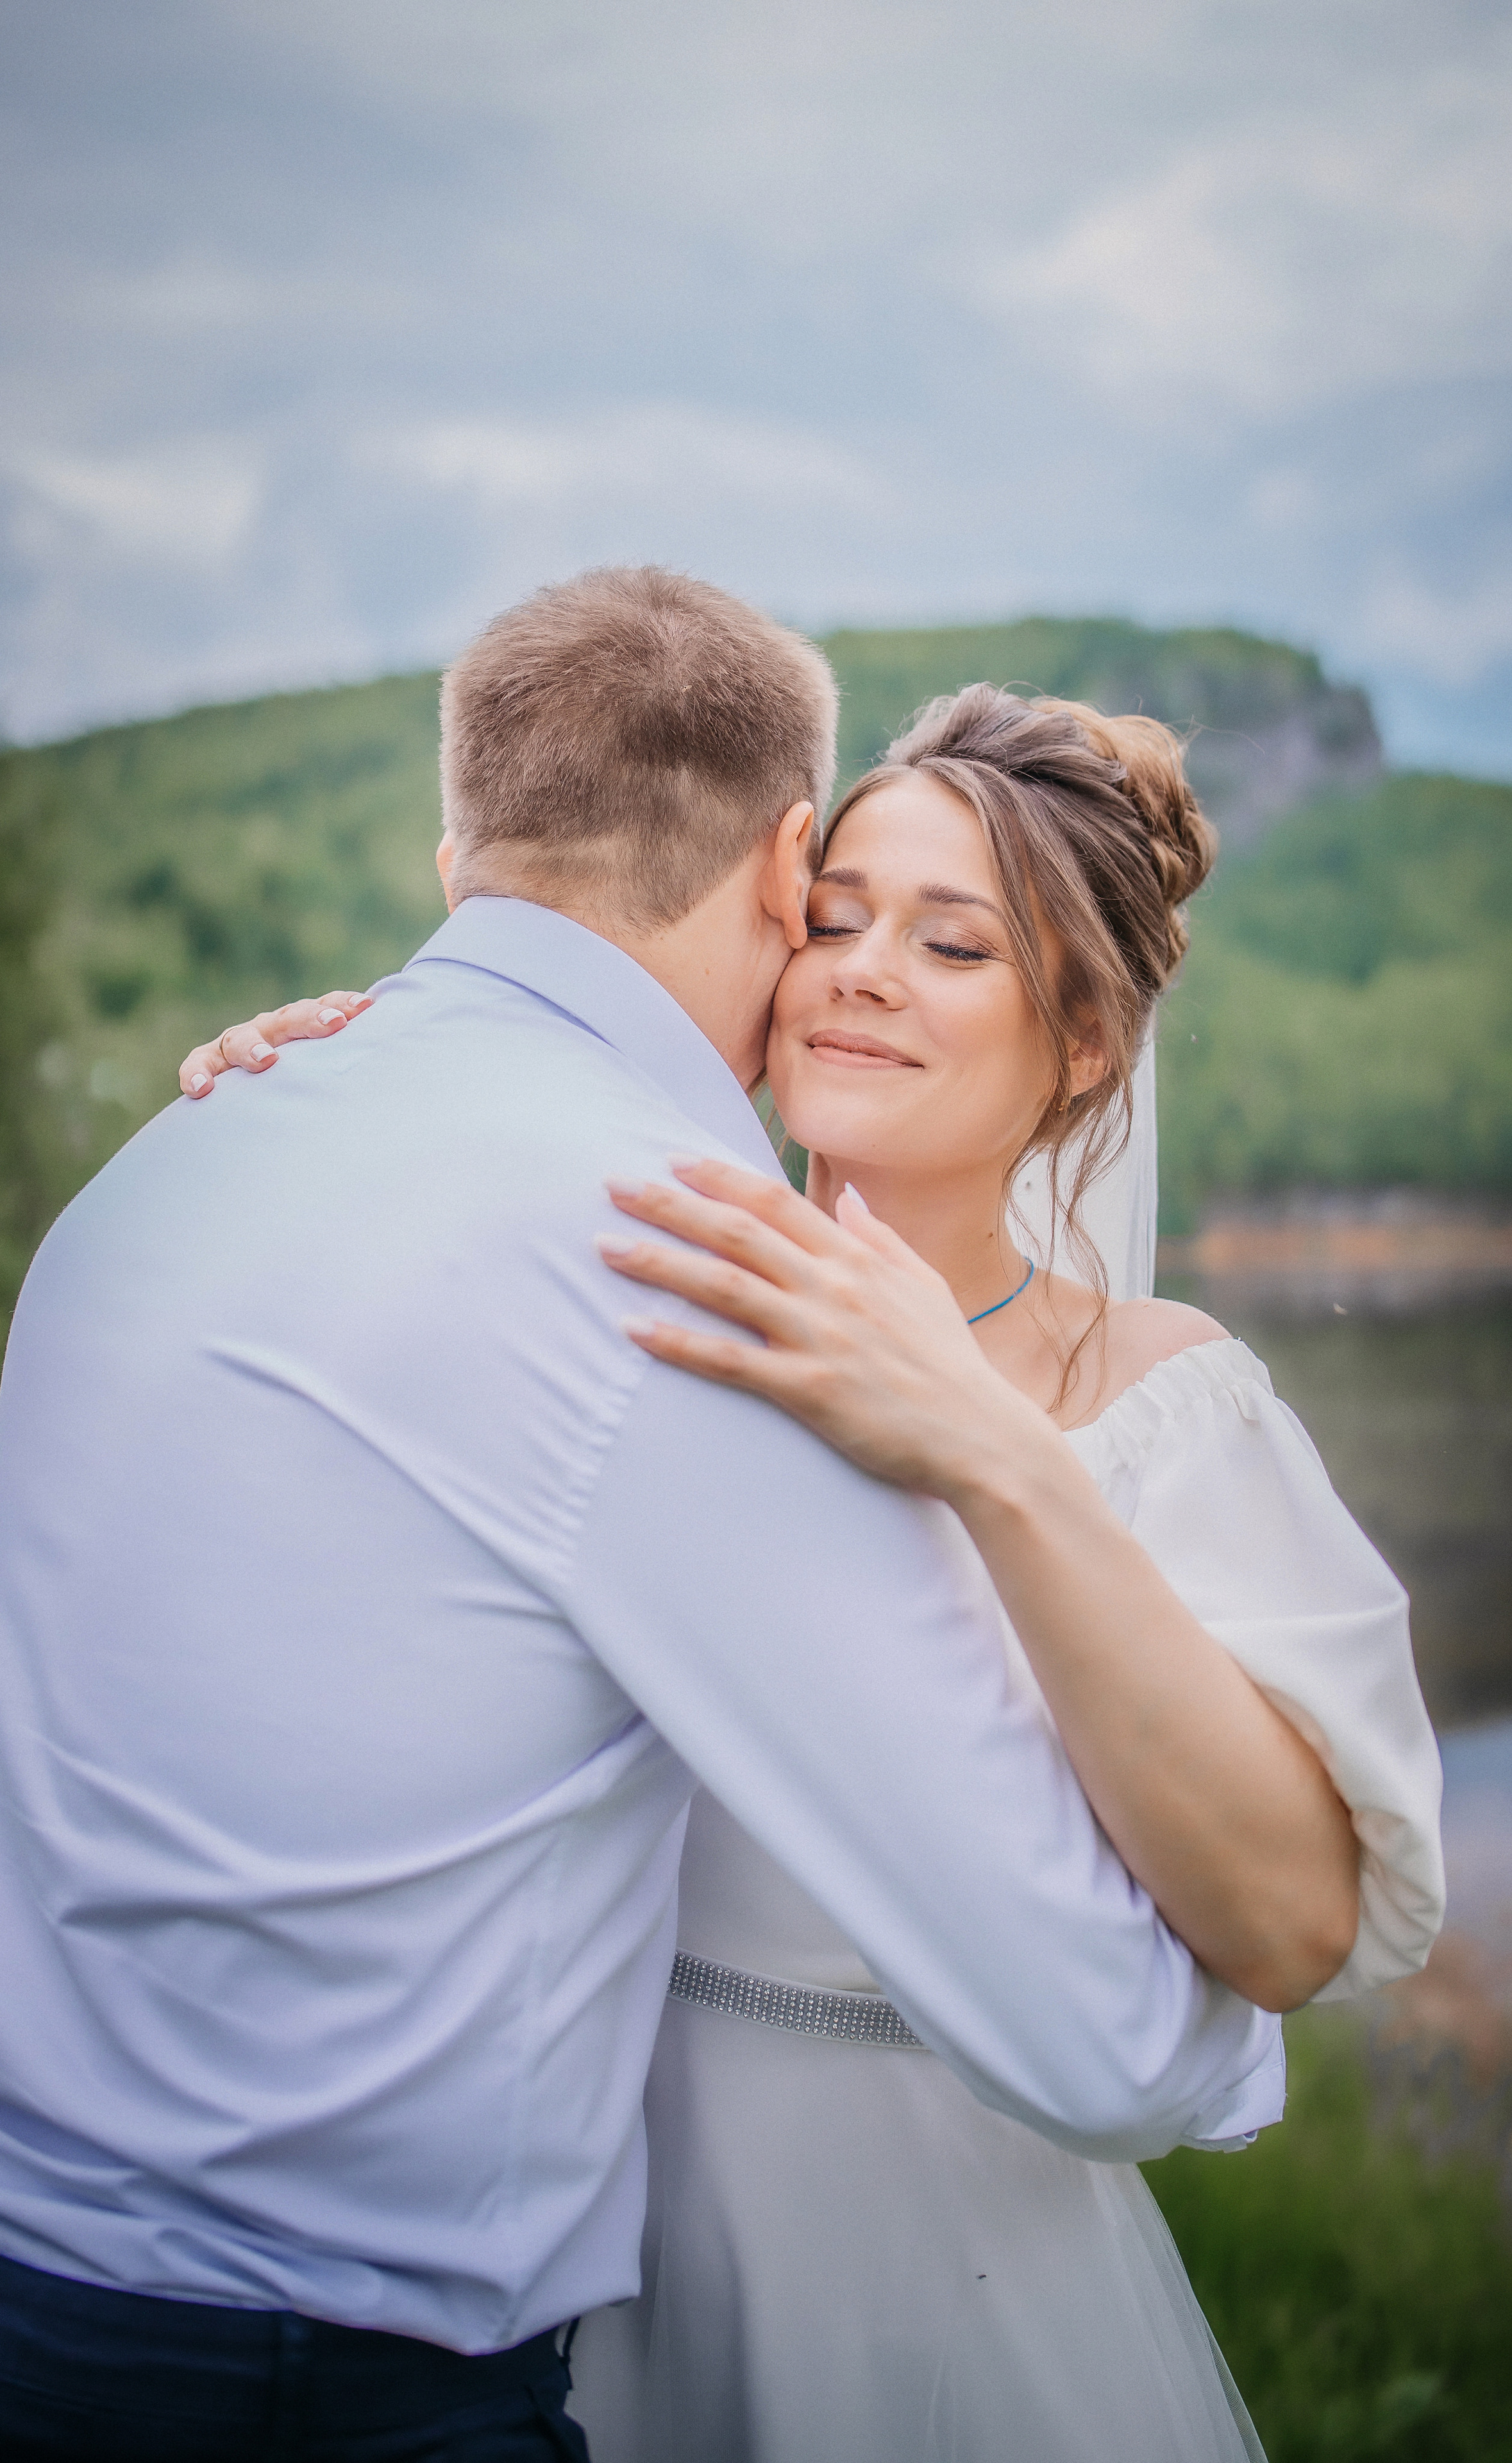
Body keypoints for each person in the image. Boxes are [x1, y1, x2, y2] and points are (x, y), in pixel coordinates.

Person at [0, 571, 1325, 2463]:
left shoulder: (177, 1149)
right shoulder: (681, 1259)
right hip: (341, 2393)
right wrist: (1234, 2021)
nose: (860, 969)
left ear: (454, 848)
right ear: (791, 866)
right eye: (849, 914)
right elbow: (1107, 2043)